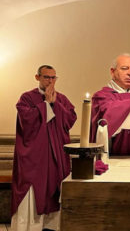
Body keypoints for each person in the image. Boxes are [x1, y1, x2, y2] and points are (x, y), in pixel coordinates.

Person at [11, 65, 77, 231]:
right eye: (47, 77)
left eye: (53, 77)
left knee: (53, 193)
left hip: (55, 158)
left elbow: (70, 119)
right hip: (34, 159)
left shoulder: (61, 99)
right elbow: (26, 121)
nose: (50, 81)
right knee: (32, 195)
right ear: (37, 77)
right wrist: (46, 104)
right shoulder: (26, 97)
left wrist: (55, 105)